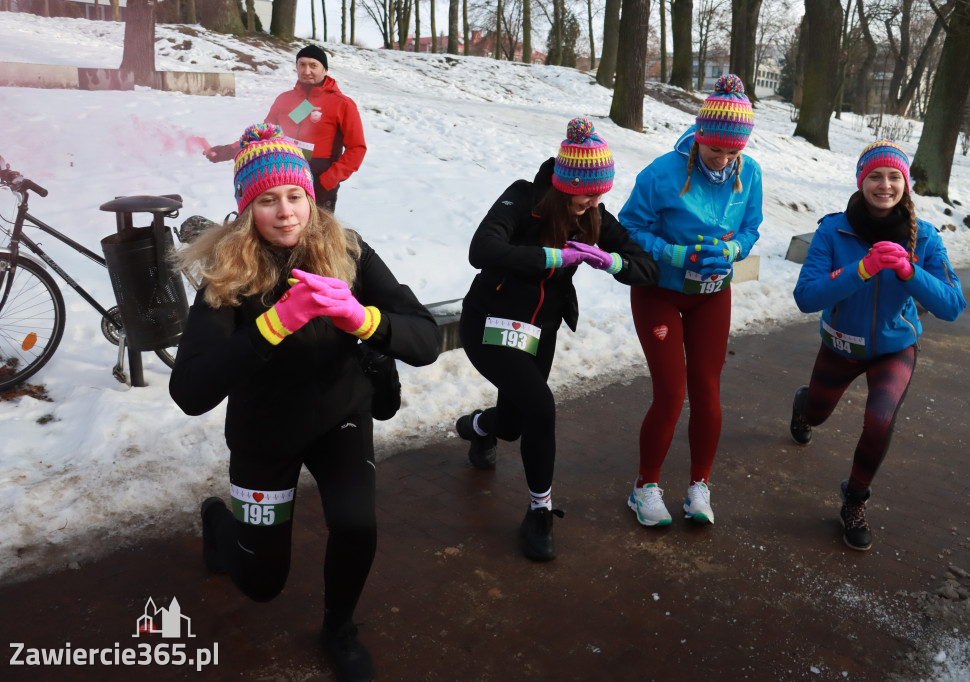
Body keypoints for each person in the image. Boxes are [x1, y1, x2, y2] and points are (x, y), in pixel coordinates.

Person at [170, 123, 441, 681]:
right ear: (247, 209)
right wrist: (272, 325)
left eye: (295, 195)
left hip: (340, 415)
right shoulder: (227, 274)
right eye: (267, 200)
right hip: (264, 433)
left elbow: (425, 338)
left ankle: (338, 628)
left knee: (357, 525)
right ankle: (219, 524)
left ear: (311, 198)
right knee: (263, 583)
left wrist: (361, 317)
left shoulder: (348, 250)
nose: (286, 212)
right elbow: (190, 391)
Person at [455, 117, 659, 561]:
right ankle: (539, 511)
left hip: (538, 334)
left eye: (600, 193)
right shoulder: (522, 198)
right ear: (563, 185)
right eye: (587, 193)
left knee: (513, 424)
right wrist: (553, 255)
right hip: (490, 324)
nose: (594, 202)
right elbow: (482, 249)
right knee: (541, 407)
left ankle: (477, 428)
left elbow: (647, 267)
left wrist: (610, 262)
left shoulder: (595, 216)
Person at [790, 139, 966, 551]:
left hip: (894, 347)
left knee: (880, 419)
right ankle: (803, 407)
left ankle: (854, 499)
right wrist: (862, 269)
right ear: (861, 180)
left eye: (893, 177)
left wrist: (909, 271)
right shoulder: (833, 230)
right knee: (817, 413)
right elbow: (806, 297)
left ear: (905, 184)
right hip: (840, 345)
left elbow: (952, 306)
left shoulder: (924, 239)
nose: (884, 185)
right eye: (875, 176)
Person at [617, 74, 762, 528]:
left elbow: (751, 228)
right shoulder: (661, 172)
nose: (722, 161)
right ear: (698, 137)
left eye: (732, 153)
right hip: (659, 291)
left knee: (707, 391)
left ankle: (700, 484)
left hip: (712, 294)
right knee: (671, 393)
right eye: (714, 149)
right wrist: (672, 253)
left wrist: (735, 250)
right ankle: (645, 488)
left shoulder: (750, 172)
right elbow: (627, 229)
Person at [205, 45, 367, 214]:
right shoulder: (285, 99)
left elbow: (356, 148)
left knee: (316, 233)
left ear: (325, 70)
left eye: (313, 65)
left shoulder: (342, 104)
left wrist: (329, 179)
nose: (306, 70)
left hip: (320, 178)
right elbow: (262, 135)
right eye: (302, 65)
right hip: (283, 172)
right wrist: (227, 151)